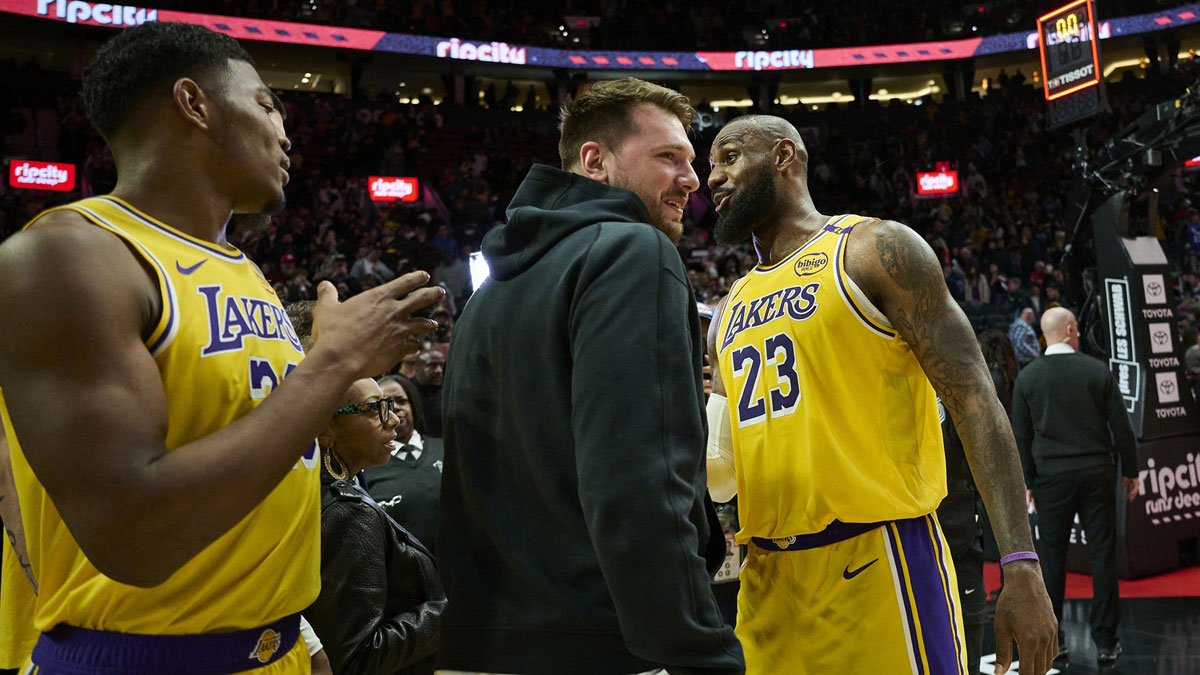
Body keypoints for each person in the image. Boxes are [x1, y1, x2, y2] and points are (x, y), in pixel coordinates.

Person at [0, 23, 441, 674]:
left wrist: (302, 639)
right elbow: (132, 536)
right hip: (140, 657)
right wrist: (334, 364)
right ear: (192, 102)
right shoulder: (69, 255)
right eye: (266, 104)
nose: (286, 132)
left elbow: (269, 472)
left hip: (277, 646)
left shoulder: (244, 272)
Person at [704, 115, 1057, 674]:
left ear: (783, 157)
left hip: (876, 560)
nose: (712, 178)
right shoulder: (729, 307)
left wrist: (1020, 562)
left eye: (728, 158)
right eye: (709, 166)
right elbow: (720, 470)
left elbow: (975, 402)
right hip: (766, 581)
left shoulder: (873, 249)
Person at [437, 78, 744, 674]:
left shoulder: (491, 290)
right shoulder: (632, 252)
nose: (692, 179)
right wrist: (701, 651)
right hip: (603, 643)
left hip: (477, 643)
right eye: (667, 158)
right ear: (595, 160)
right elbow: (637, 480)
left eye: (690, 159)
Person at [1010, 307, 1139, 667]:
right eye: (1078, 329)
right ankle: (1106, 642)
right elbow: (1122, 427)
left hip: (1051, 478)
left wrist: (1028, 482)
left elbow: (1020, 435)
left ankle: (1055, 642)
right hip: (1097, 473)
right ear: (1070, 330)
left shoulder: (1028, 378)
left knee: (1051, 561)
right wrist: (1131, 470)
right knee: (1102, 557)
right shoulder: (1097, 370)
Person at [304, 377, 446, 675]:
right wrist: (449, 612)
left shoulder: (326, 490)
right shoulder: (349, 511)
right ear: (325, 429)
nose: (393, 419)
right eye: (374, 409)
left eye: (390, 406)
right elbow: (356, 659)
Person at [364, 375, 444, 552]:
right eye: (386, 404)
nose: (396, 408)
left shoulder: (447, 448)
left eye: (401, 401)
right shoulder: (367, 467)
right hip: (405, 574)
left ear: (413, 406)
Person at [413, 349, 446, 437]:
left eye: (442, 366)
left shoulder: (451, 394)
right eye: (432, 366)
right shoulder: (406, 392)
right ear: (417, 369)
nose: (439, 371)